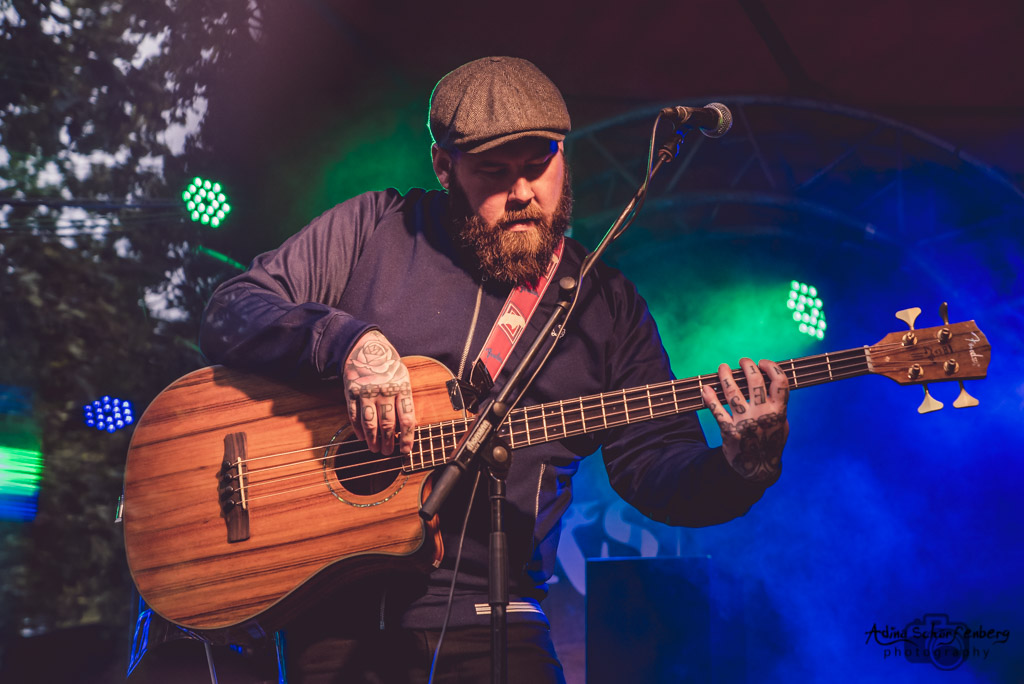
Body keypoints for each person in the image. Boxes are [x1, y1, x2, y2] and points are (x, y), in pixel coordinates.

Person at [199, 56, 789, 684]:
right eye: (494, 172)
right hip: (339, 619)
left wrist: (740, 470)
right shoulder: (375, 228)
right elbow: (231, 311)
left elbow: (655, 470)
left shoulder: (605, 305)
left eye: (539, 165)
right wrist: (346, 343)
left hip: (498, 617)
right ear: (443, 167)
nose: (523, 193)